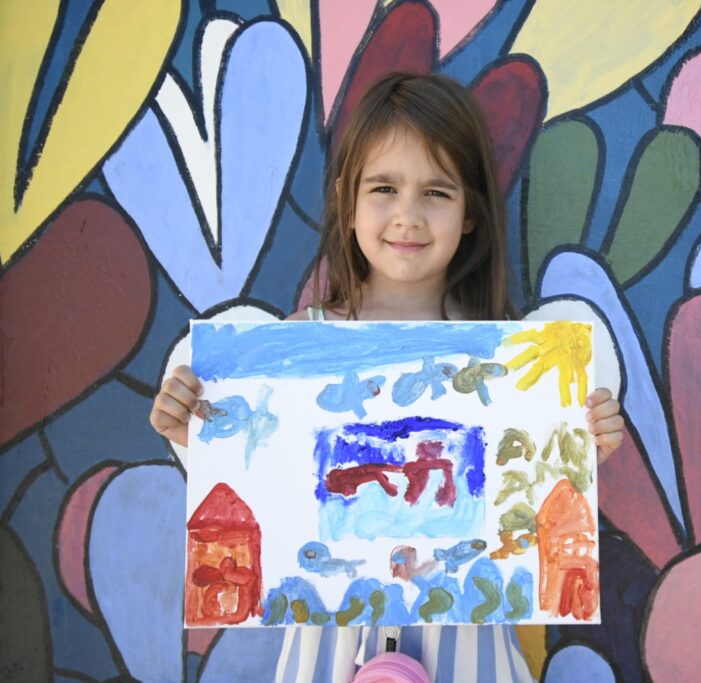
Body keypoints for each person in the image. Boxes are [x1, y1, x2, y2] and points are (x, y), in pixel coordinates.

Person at [150, 72, 624, 682]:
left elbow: (532, 509)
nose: (407, 216)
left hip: (469, 652)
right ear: (347, 201)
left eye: (436, 193)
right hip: (330, 651)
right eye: (384, 188)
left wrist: (579, 450)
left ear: (470, 213)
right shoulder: (293, 345)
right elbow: (270, 480)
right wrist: (197, 437)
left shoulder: (509, 363)